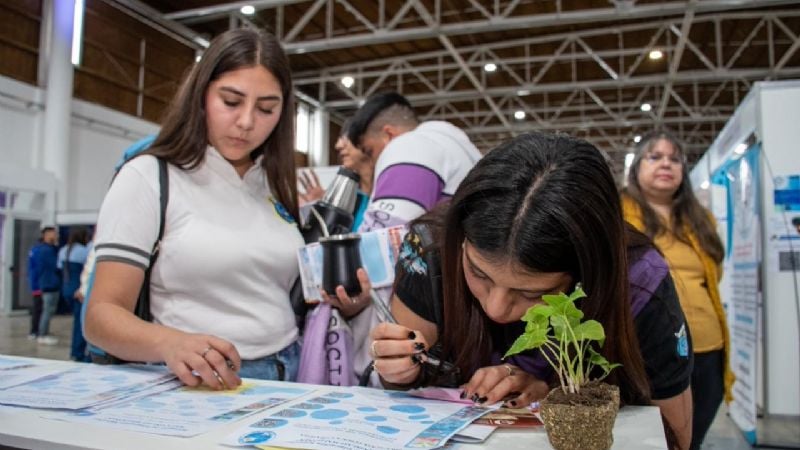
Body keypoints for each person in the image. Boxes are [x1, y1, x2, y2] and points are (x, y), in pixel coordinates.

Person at [369, 133, 694, 449]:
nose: (496, 308)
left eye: (533, 293)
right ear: (461, 241)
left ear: (588, 275)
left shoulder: (640, 283)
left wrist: (555, 392)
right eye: (478, 272)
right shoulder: (431, 249)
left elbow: (670, 437)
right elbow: (408, 372)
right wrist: (399, 370)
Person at [85, 28, 306, 389]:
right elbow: (100, 316)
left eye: (267, 108)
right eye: (231, 102)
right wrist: (170, 342)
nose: (247, 122)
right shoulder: (149, 176)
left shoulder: (273, 184)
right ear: (200, 95)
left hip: (288, 376)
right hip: (197, 382)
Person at [622, 131, 732, 450]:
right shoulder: (617, 213)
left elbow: (714, 274)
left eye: (674, 159)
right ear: (636, 167)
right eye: (655, 157)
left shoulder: (700, 218)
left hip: (707, 346)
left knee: (690, 441)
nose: (665, 164)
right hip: (646, 349)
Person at [346, 92, 482, 232]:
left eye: (370, 151)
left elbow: (387, 239)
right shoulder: (458, 149)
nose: (372, 162)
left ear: (388, 134)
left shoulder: (409, 146)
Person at [57, 227, 90, 361]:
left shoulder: (63, 250)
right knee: (81, 323)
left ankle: (75, 351)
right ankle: (78, 353)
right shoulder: (84, 251)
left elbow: (59, 269)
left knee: (77, 321)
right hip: (79, 291)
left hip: (67, 289)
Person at [27, 226, 60, 345]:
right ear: (46, 235)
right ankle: (38, 333)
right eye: (54, 233)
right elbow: (39, 269)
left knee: (42, 310)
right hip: (42, 285)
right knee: (40, 310)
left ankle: (37, 331)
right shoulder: (42, 250)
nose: (56, 236)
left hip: (42, 284)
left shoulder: (48, 249)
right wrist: (37, 286)